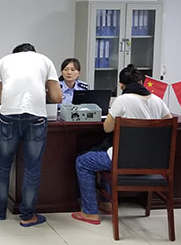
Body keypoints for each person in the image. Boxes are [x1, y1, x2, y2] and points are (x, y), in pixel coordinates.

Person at [72, 64, 171, 225]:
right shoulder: (157, 100)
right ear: (141, 82)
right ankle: (106, 203)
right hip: (153, 162)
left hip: (124, 161)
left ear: (121, 85)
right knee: (104, 154)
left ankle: (90, 212)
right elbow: (168, 125)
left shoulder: (123, 100)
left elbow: (107, 128)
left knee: (83, 161)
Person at [0, 43, 62, 226]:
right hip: (36, 118)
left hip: (8, 117)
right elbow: (57, 97)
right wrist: (41, 90)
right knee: (32, 168)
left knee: (3, 166)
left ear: (15, 54)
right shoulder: (45, 60)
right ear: (33, 53)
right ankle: (28, 216)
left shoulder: (3, 61)